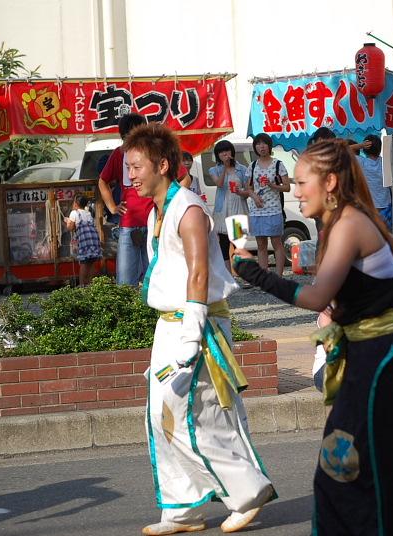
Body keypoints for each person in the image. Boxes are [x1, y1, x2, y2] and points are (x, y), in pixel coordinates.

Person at [233, 139, 393, 535]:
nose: (295, 191)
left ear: (331, 182)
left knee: (355, 471)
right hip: (380, 362)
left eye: (302, 182)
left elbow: (317, 296)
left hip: (382, 367)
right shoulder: (354, 220)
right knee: (368, 471)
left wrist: (254, 273)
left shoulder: (350, 224)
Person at [124, 123, 274, 535]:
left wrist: (190, 335)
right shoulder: (159, 209)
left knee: (200, 415)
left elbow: (199, 274)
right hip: (169, 324)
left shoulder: (188, 208)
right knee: (160, 416)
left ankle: (247, 493)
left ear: (163, 165)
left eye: (137, 167)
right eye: (129, 167)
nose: (131, 175)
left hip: (197, 324)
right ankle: (182, 509)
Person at [98, 113, 151, 285]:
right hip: (128, 222)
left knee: (156, 276)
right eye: (129, 134)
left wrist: (168, 204)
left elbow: (183, 178)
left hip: (155, 221)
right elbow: (102, 181)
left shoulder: (154, 152)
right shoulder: (119, 154)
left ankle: (157, 310)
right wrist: (112, 207)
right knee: (126, 280)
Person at [244, 133, 290, 275]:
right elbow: (248, 187)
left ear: (269, 146)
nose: (261, 147)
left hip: (274, 209)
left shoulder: (278, 164)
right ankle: (265, 279)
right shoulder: (252, 166)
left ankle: (278, 277)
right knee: (261, 245)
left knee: (276, 243)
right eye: (258, 144)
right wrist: (254, 197)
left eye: (264, 144)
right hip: (257, 210)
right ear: (255, 147)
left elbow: (287, 187)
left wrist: (272, 185)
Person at [209, 140, 250, 275]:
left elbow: (248, 191)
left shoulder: (243, 169)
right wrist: (225, 169)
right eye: (221, 152)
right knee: (224, 245)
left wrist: (240, 192)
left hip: (238, 210)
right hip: (222, 212)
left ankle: (243, 274)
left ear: (232, 152)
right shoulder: (214, 169)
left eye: (227, 150)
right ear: (217, 155)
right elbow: (219, 184)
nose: (225, 154)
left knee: (239, 244)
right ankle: (228, 276)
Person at [63, 195, 102, 287]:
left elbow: (70, 228)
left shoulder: (74, 213)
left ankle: (81, 285)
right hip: (94, 239)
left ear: (76, 203)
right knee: (91, 262)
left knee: (84, 262)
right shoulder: (88, 213)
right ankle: (90, 284)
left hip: (85, 240)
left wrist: (67, 222)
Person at [357, 134, 392, 231]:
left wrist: (360, 145)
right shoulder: (386, 163)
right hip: (387, 206)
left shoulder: (362, 163)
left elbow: (341, 150)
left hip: (369, 206)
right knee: (386, 236)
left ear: (365, 149)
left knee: (372, 236)